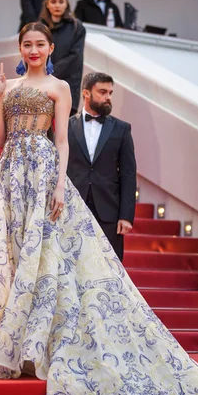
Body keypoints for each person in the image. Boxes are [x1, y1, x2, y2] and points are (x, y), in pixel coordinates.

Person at [0, 21, 198, 395]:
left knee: (41, 261)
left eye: (39, 44)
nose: (32, 50)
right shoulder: (6, 86)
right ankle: (13, 345)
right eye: (26, 44)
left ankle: (38, 346)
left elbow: (61, 140)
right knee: (12, 259)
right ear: (20, 48)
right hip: (10, 176)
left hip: (44, 174)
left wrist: (60, 186)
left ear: (50, 47)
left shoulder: (60, 87)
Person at [67, 72, 136, 261]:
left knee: (110, 269)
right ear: (86, 93)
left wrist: (126, 215)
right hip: (73, 209)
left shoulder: (122, 129)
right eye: (102, 92)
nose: (108, 98)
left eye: (110, 93)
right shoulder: (66, 126)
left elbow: (129, 175)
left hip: (109, 212)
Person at [40, 0, 85, 115]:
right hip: (43, 84)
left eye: (61, 1)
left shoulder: (76, 27)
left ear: (66, 4)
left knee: (63, 131)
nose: (57, 5)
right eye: (53, 2)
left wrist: (50, 72)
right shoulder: (40, 27)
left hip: (67, 84)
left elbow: (76, 57)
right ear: (47, 4)